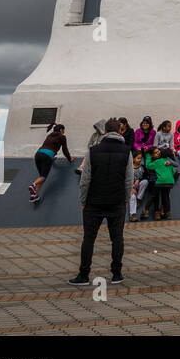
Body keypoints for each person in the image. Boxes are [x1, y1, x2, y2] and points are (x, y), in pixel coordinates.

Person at [70, 118, 132, 285]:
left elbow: (85, 179)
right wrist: (125, 200)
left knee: (88, 239)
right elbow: (129, 179)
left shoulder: (93, 151)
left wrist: (83, 200)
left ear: (104, 131)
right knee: (117, 238)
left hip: (94, 202)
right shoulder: (127, 151)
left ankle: (83, 275)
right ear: (120, 131)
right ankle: (116, 273)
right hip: (116, 202)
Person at [28, 123, 74, 202]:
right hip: (47, 156)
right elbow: (64, 150)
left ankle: (34, 195)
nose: (64, 132)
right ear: (61, 130)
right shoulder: (62, 137)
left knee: (42, 177)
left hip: (38, 154)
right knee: (43, 177)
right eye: (64, 130)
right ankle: (33, 185)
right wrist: (69, 159)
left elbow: (48, 146)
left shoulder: (49, 136)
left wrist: (51, 158)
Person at [143, 147, 176, 220]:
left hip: (159, 181)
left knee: (153, 196)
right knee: (166, 198)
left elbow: (148, 166)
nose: (158, 153)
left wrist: (148, 156)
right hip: (169, 182)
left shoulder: (157, 162)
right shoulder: (168, 161)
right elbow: (173, 171)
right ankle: (167, 213)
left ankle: (146, 210)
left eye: (158, 152)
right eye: (156, 152)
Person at [128, 151, 149, 222]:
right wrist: (131, 188)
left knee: (145, 182)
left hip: (138, 186)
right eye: (138, 158)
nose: (140, 160)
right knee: (132, 197)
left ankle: (139, 199)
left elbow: (146, 177)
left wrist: (138, 180)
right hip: (130, 187)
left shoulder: (142, 167)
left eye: (141, 158)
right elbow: (126, 179)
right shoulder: (129, 168)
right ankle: (133, 215)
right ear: (133, 159)